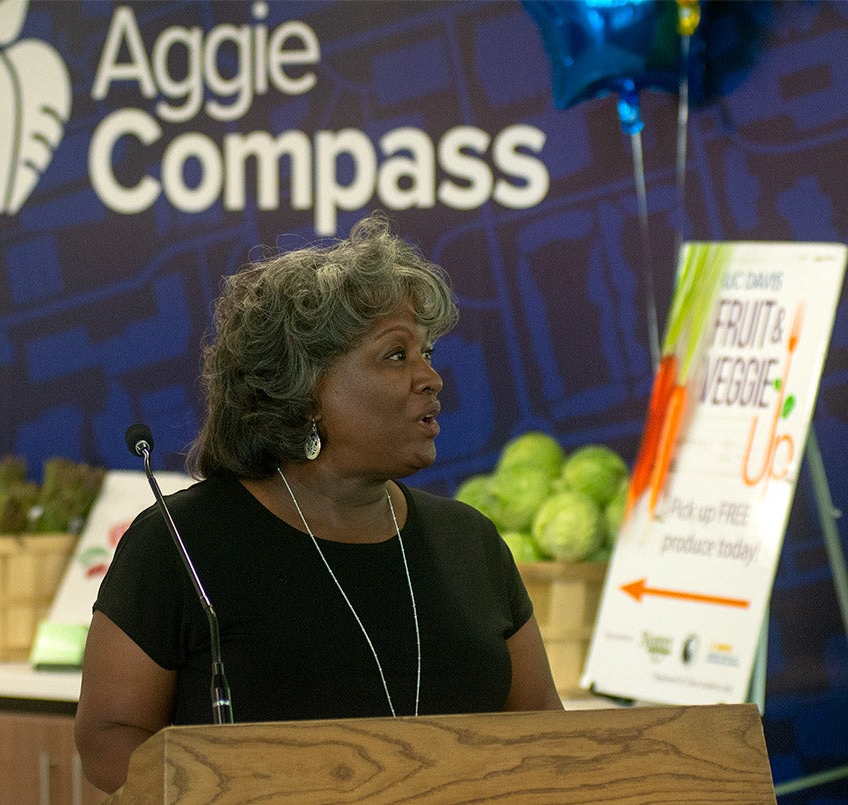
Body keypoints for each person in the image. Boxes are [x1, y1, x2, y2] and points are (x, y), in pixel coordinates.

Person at [74, 213, 563, 794]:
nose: (432, 377)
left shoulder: (471, 542)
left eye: (427, 352)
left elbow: (547, 743)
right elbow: (109, 740)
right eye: (395, 356)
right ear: (303, 390)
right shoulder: (180, 543)